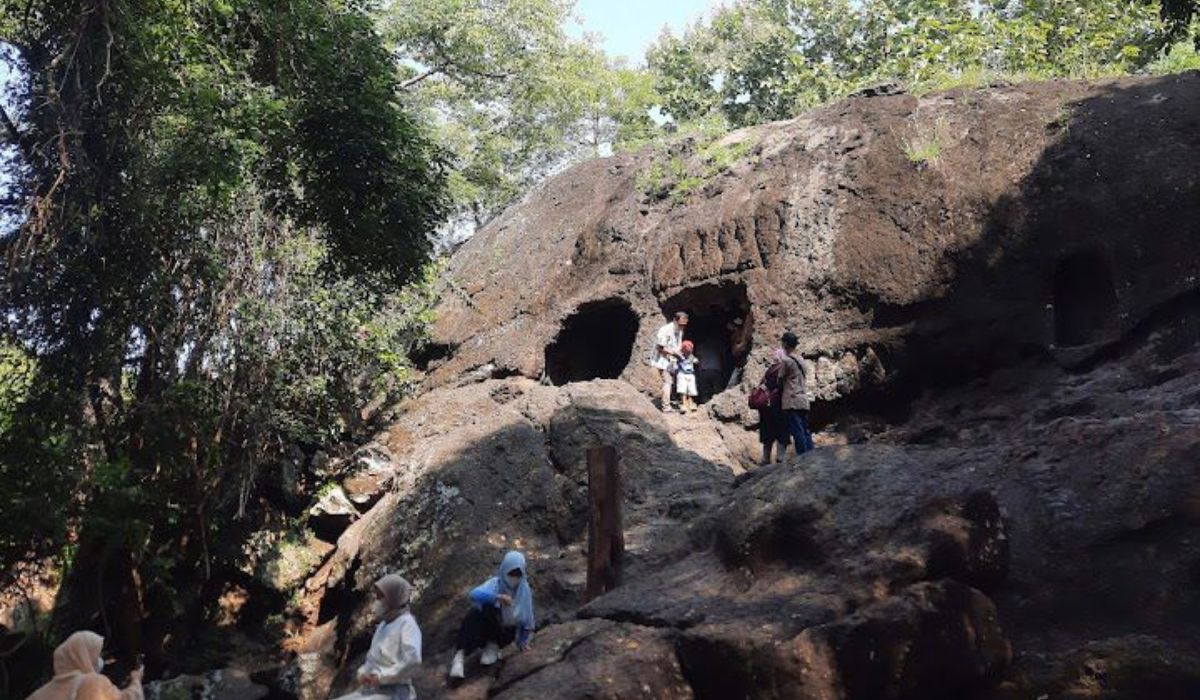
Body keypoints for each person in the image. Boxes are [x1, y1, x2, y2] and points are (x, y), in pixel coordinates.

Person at [448, 551, 535, 680]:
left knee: (507, 627)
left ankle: (493, 646)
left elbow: (527, 618)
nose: (514, 579)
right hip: (487, 626)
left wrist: (522, 641)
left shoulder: (524, 590)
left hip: (505, 631)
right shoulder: (496, 583)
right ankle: (459, 657)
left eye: (517, 575)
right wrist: (497, 597)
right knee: (475, 613)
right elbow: (474, 594)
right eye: (510, 574)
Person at [335, 574, 422, 700]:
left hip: (396, 693)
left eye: (381, 597)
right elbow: (373, 657)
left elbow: (413, 660)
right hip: (372, 690)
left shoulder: (407, 624)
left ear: (393, 598)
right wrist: (364, 673)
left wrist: (383, 676)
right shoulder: (383, 625)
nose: (377, 601)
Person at [27, 631, 143, 700]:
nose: (98, 660)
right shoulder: (93, 683)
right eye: (95, 655)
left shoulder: (38, 695)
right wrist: (136, 680)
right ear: (82, 656)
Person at [779, 332, 814, 456]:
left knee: (797, 431)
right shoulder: (801, 359)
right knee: (805, 429)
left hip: (792, 400)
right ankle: (811, 455)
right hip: (803, 399)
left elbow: (780, 378)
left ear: (785, 344)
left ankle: (803, 457)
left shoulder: (786, 361)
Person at [756, 349, 791, 465]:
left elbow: (768, 384)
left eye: (775, 354)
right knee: (781, 431)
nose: (773, 355)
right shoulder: (783, 368)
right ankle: (780, 457)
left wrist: (765, 387)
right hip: (779, 404)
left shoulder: (772, 369)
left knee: (768, 432)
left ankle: (767, 458)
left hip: (769, 406)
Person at [650, 312, 687, 412]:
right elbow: (660, 348)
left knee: (673, 381)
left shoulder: (680, 331)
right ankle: (666, 407)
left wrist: (680, 355)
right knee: (668, 382)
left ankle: (670, 401)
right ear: (675, 320)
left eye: (684, 325)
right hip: (662, 360)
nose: (682, 327)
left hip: (672, 361)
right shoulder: (665, 330)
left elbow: (677, 346)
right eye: (681, 324)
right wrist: (675, 353)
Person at [675, 341, 700, 413]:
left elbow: (696, 361)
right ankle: (684, 404)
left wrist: (695, 360)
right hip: (682, 374)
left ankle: (691, 403)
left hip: (690, 374)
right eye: (686, 350)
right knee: (682, 390)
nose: (688, 352)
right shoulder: (679, 356)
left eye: (689, 350)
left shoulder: (691, 356)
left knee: (691, 389)